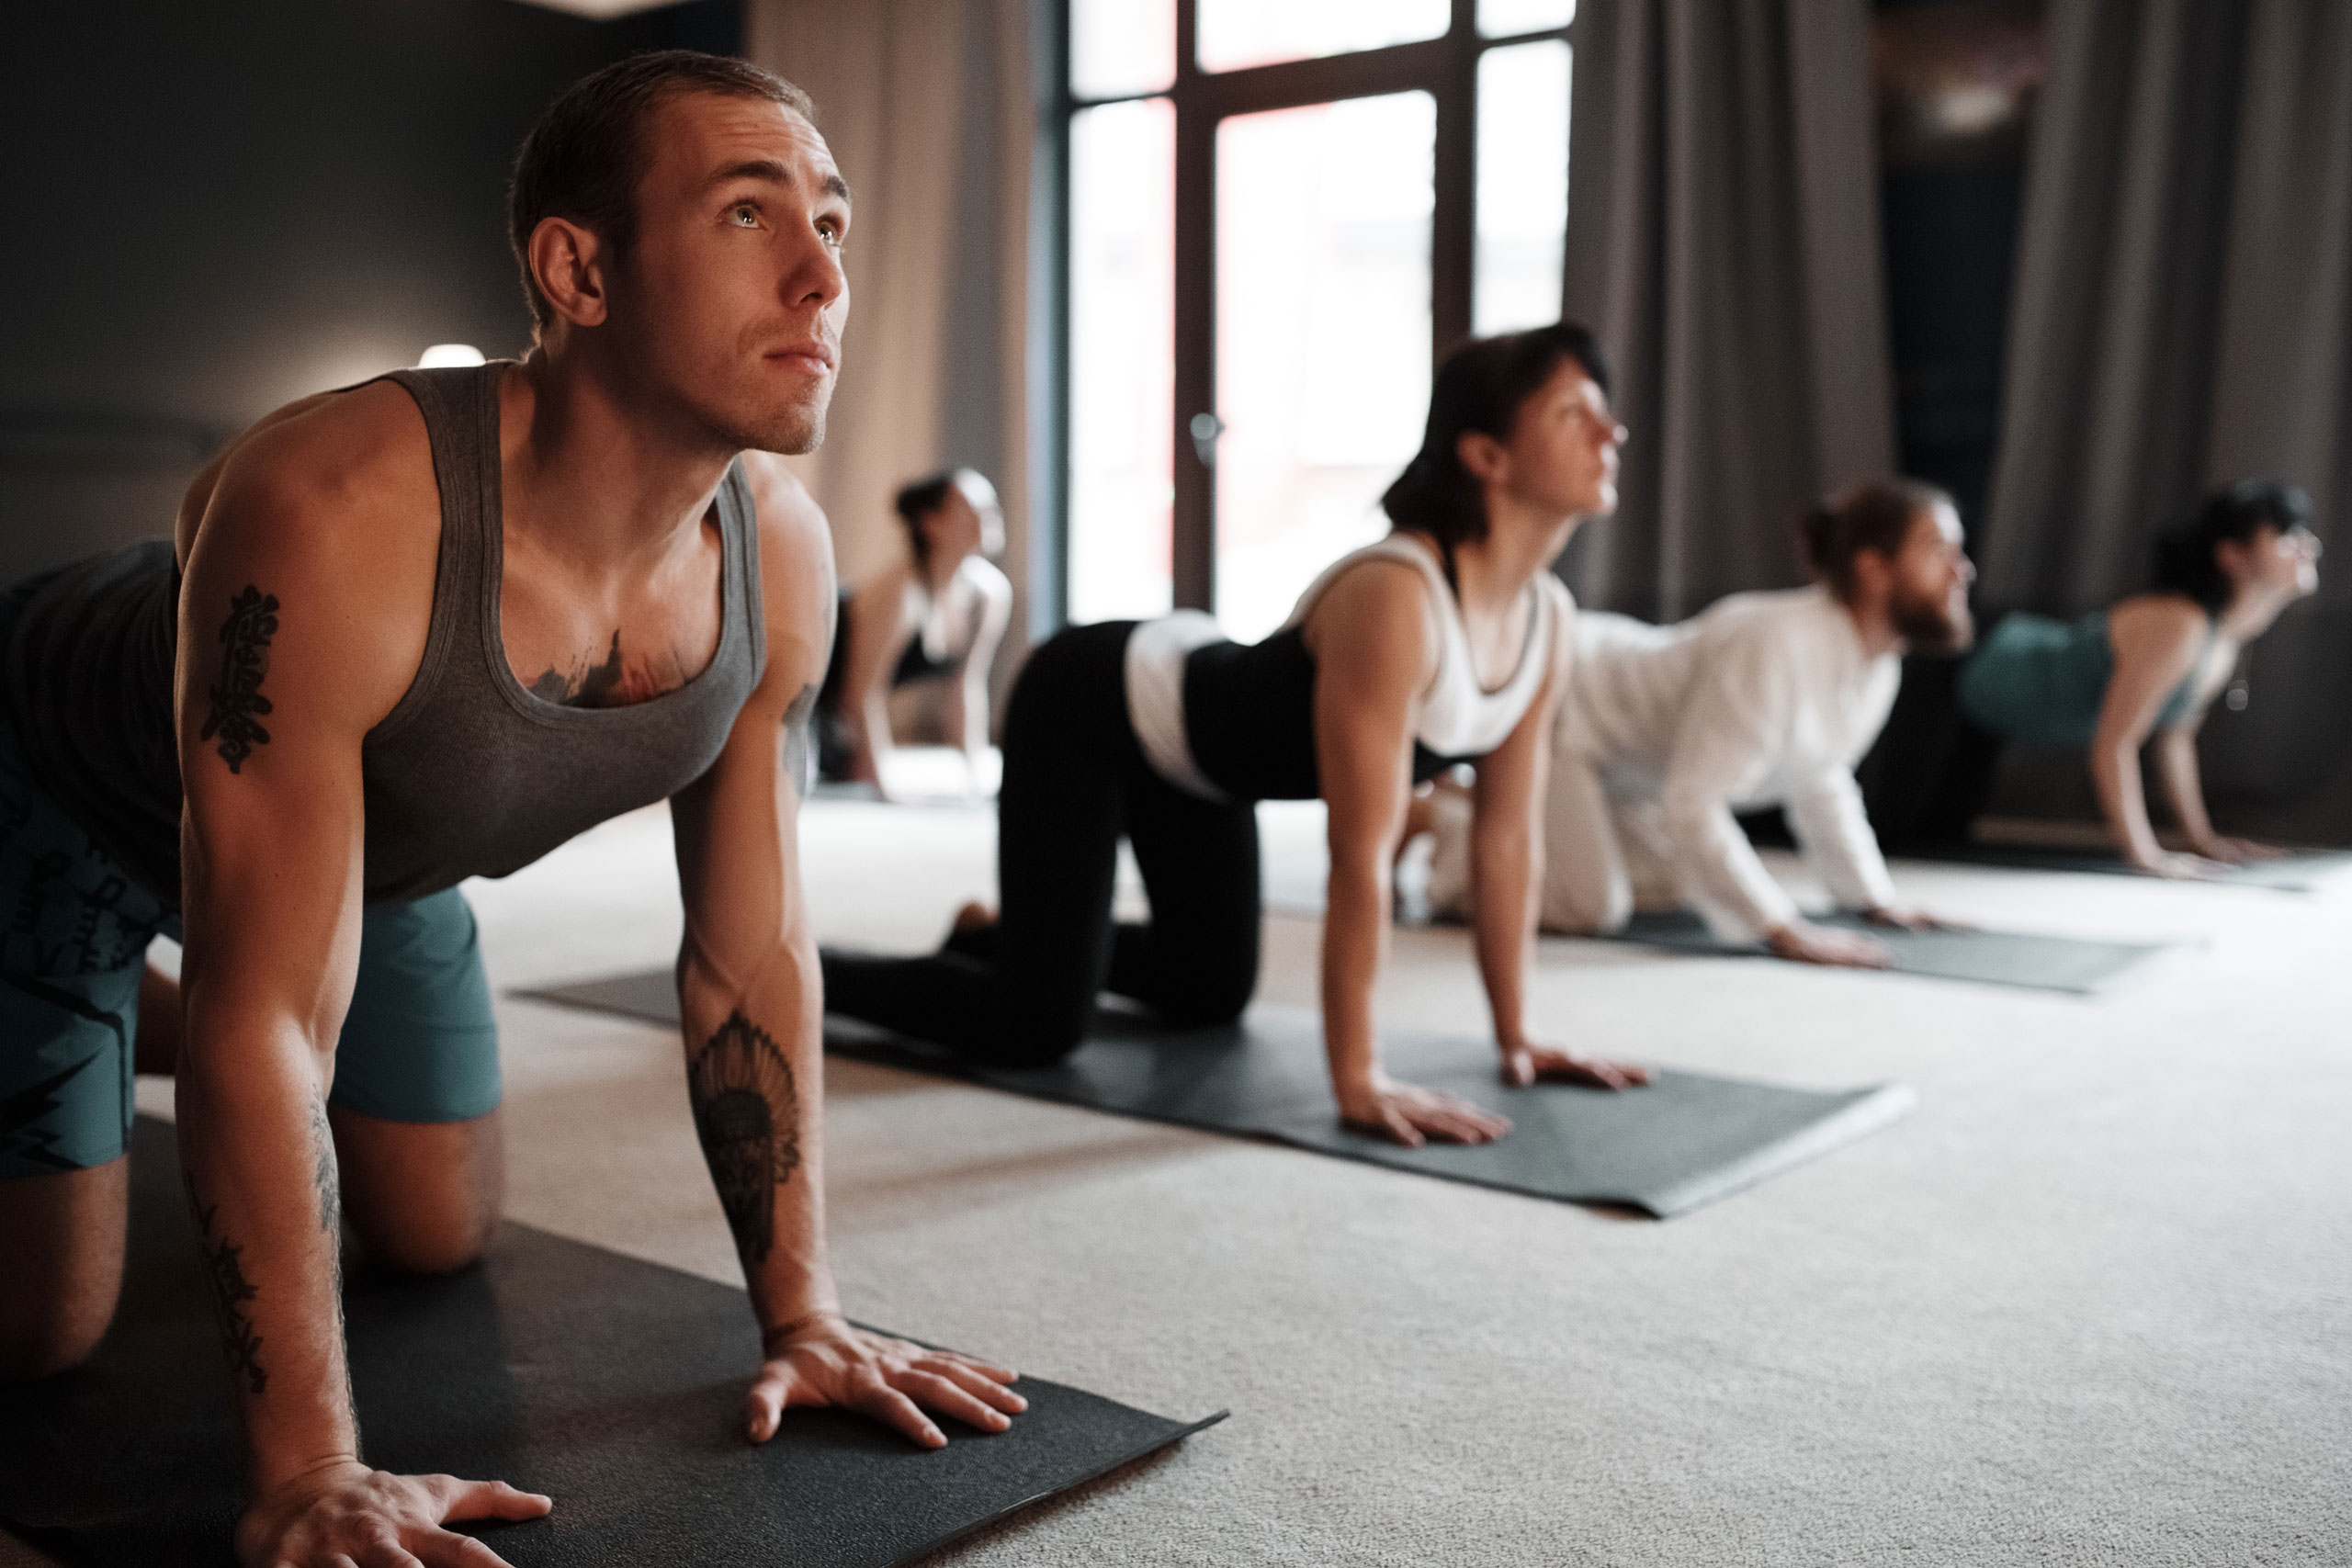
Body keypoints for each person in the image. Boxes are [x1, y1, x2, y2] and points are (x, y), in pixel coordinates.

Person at [0, 52, 1023, 1568]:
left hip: (378, 856)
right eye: (751, 214)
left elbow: (749, 955)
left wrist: (803, 1313)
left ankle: (164, 1019)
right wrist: (309, 1470)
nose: (823, 276)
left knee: (436, 1228)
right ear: (578, 270)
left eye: (834, 222)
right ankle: (87, 996)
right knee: (42, 1329)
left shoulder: (781, 556)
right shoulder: (337, 508)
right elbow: (266, 1013)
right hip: (58, 804)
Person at [821, 323, 1652, 1149]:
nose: (1609, 431)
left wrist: (1517, 1035)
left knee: (1209, 990)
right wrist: (1359, 1076)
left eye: (1603, 412)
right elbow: (1359, 858)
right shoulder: (1398, 594)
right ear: (1487, 456)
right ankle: (813, 972)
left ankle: (999, 934)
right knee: (1033, 1025)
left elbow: (1507, 841)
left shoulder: (1547, 619)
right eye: (1572, 412)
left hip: (1205, 762)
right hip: (1091, 702)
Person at [1421, 480, 1975, 966]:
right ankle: (1440, 821)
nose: (1962, 570)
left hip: (1629, 766)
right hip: (1568, 705)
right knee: (1590, 906)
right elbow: (1694, 803)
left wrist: (1873, 900)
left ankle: (1473, 801)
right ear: (1873, 568)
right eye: (1939, 551)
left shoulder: (1877, 664)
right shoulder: (1775, 644)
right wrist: (1782, 929)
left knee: (1675, 883)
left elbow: (1821, 777)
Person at [1883, 479, 2321, 876]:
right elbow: (2114, 744)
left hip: (1998, 701)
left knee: (1939, 834)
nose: (2309, 547)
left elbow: (2174, 736)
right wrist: (2145, 855)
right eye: (2286, 538)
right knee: (1899, 837)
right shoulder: (2180, 624)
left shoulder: (2220, 641)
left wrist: (2202, 839)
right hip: (1973, 665)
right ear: (2232, 556)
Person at [816, 468, 1012, 795]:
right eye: (971, 507)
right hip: (815, 701)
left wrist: (975, 774)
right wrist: (884, 785)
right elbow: (861, 693)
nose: (988, 516)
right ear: (930, 522)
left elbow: (966, 683)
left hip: (842, 715)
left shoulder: (989, 594)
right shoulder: (900, 592)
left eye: (990, 505)